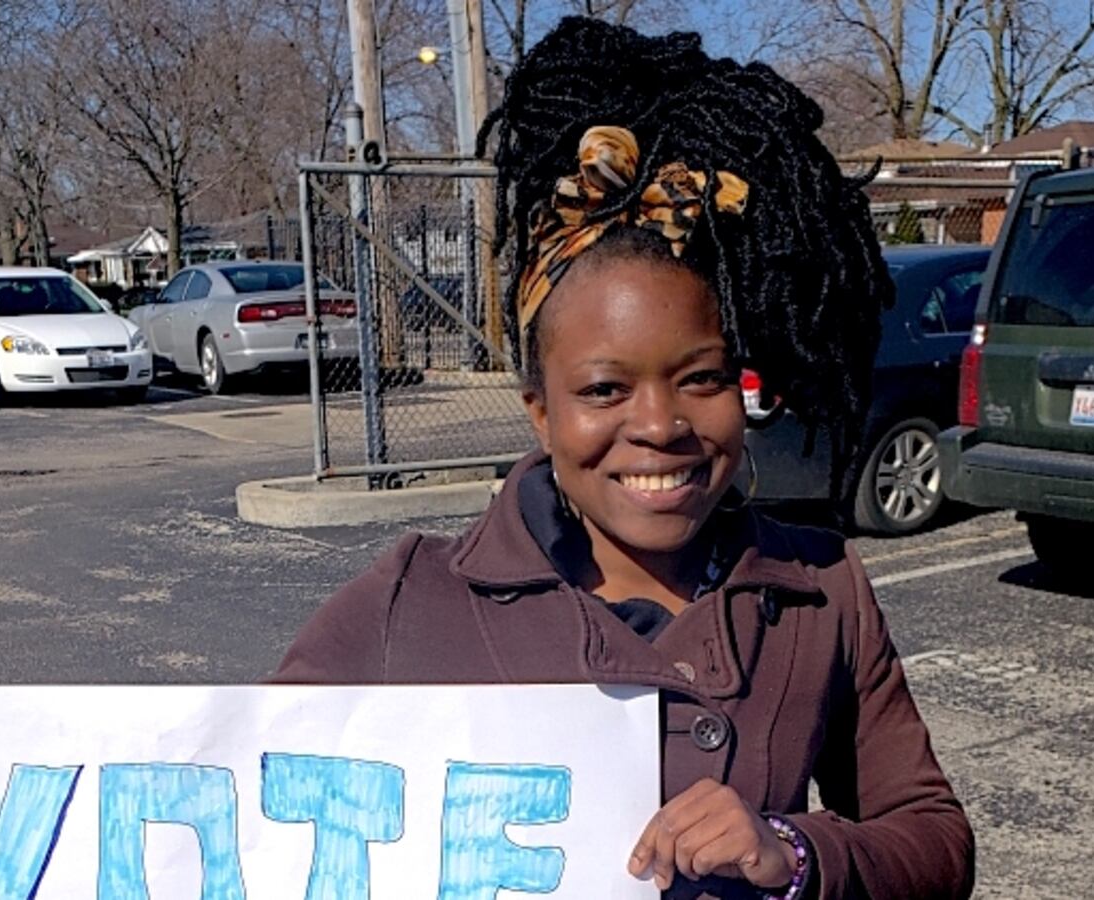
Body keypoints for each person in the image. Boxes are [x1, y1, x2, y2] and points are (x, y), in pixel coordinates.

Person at [273, 16, 974, 900]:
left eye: (702, 378)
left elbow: (935, 841)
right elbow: (245, 790)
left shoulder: (818, 590)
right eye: (604, 390)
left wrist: (792, 852)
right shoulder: (410, 602)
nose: (660, 425)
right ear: (541, 412)